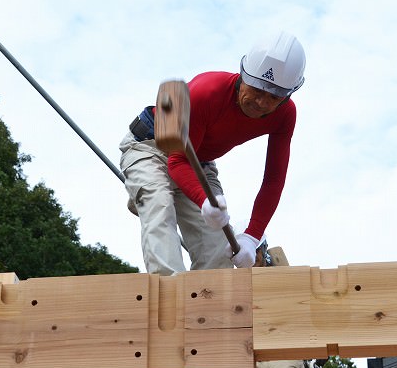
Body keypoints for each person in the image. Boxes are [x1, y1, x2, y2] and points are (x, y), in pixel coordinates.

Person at [119, 31, 306, 274]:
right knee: (159, 205)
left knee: (218, 251)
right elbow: (177, 160)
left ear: (288, 95)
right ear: (243, 75)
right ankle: (169, 292)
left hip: (198, 163)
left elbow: (273, 180)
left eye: (273, 97)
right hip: (153, 147)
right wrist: (203, 199)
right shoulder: (206, 91)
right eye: (257, 90)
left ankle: (208, 304)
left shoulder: (285, 115)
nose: (261, 102)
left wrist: (252, 235)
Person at [243, 239, 317, 368]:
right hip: (254, 362)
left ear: (263, 250)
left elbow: (302, 303)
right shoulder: (238, 280)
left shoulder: (280, 272)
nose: (251, 258)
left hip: (284, 354)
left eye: (255, 252)